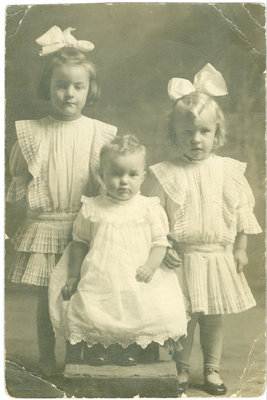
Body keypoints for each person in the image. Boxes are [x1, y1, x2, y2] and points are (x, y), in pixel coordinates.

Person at [6, 25, 117, 376]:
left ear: (89, 89)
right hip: (45, 226)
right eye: (61, 85)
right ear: (49, 87)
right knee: (45, 300)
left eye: (78, 86)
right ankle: (45, 358)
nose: (69, 94)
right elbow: (19, 182)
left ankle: (77, 356)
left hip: (80, 228)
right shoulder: (33, 133)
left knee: (79, 295)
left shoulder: (99, 133)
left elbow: (108, 184)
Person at [147, 63, 262, 395]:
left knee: (213, 317)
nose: (196, 139)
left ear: (216, 132)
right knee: (184, 320)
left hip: (216, 256)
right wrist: (164, 247)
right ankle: (181, 370)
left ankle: (211, 369)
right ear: (175, 134)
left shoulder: (228, 172)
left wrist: (240, 248)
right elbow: (153, 218)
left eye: (203, 131)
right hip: (180, 259)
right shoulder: (166, 174)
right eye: (187, 132)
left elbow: (242, 214)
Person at [49, 134, 187, 367]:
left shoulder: (149, 207)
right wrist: (73, 275)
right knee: (93, 308)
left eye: (132, 175)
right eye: (116, 174)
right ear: (102, 176)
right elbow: (79, 244)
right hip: (101, 275)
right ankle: (98, 349)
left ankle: (137, 349)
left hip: (139, 274)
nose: (124, 181)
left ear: (142, 177)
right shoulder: (92, 207)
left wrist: (151, 267)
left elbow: (159, 243)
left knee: (143, 310)